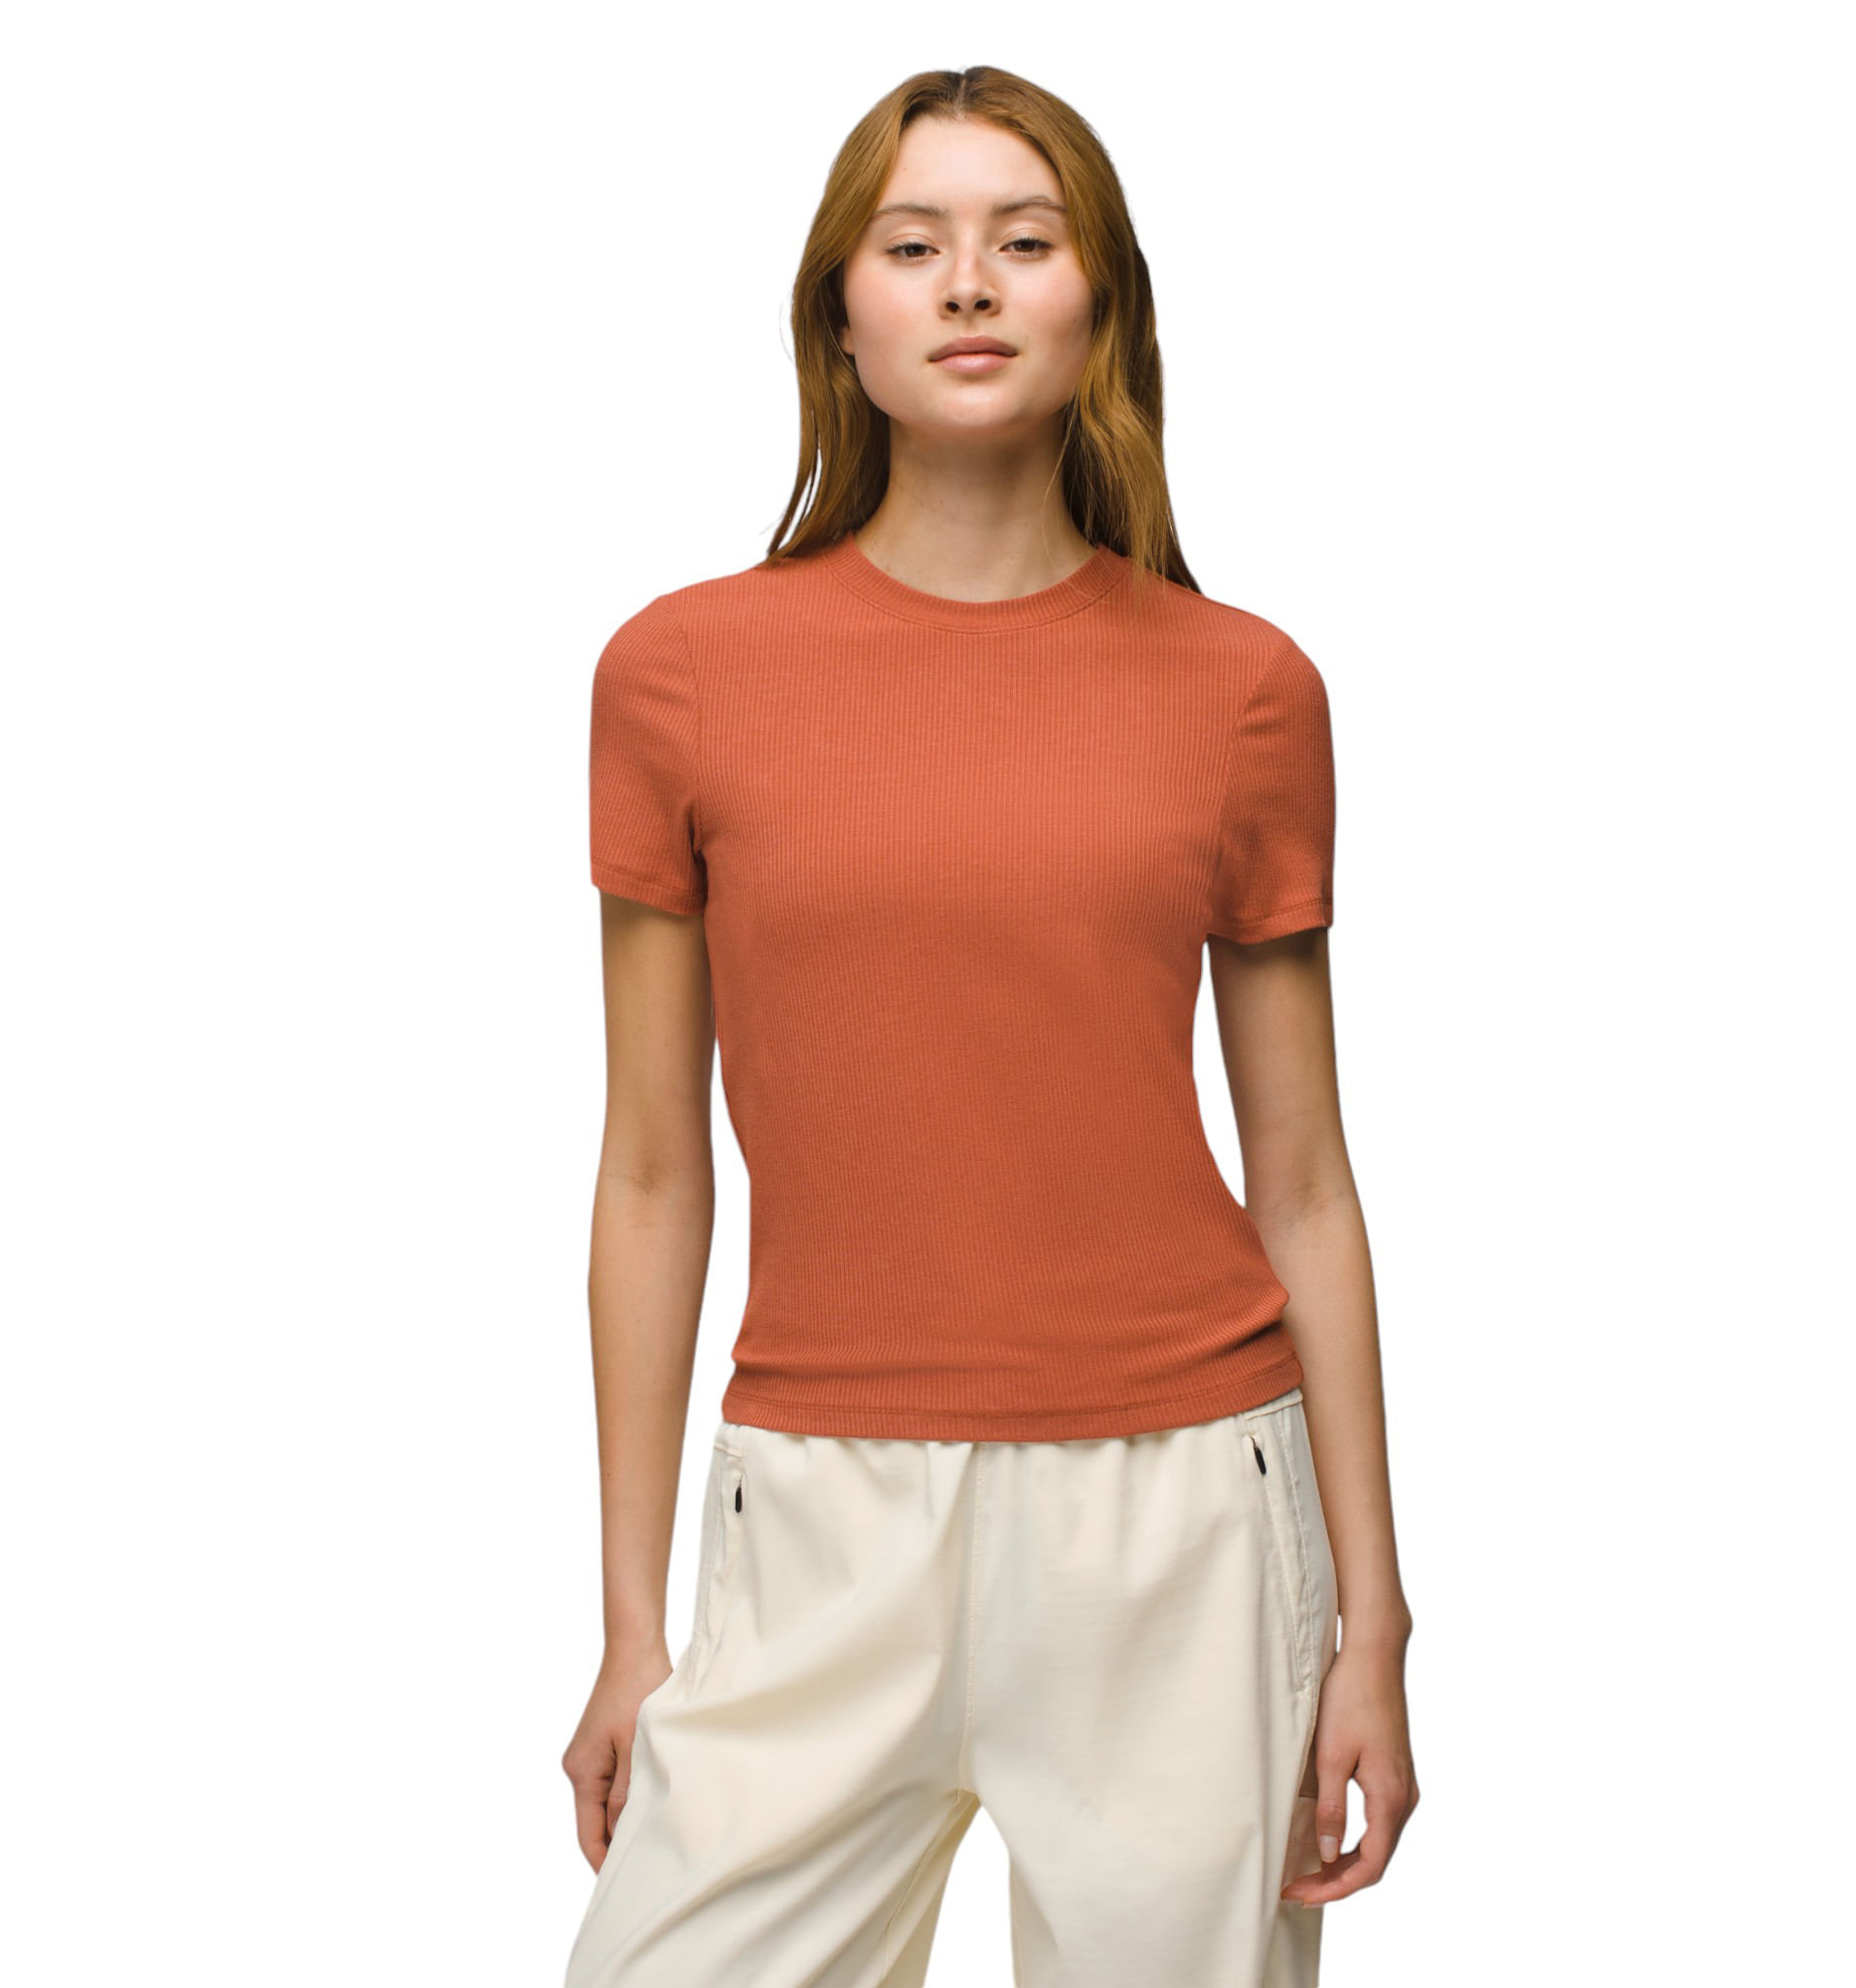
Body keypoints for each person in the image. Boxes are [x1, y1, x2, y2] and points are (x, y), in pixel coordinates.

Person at [560, 65, 1418, 1988]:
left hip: (1181, 1508)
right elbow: (649, 1172)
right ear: (840, 319)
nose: (968, 283)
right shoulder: (681, 676)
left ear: (1098, 304)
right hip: (822, 1496)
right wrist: (631, 1624)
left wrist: (1372, 1619)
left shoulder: (1243, 692)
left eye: (1024, 242)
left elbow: (1304, 1182)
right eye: (913, 244)